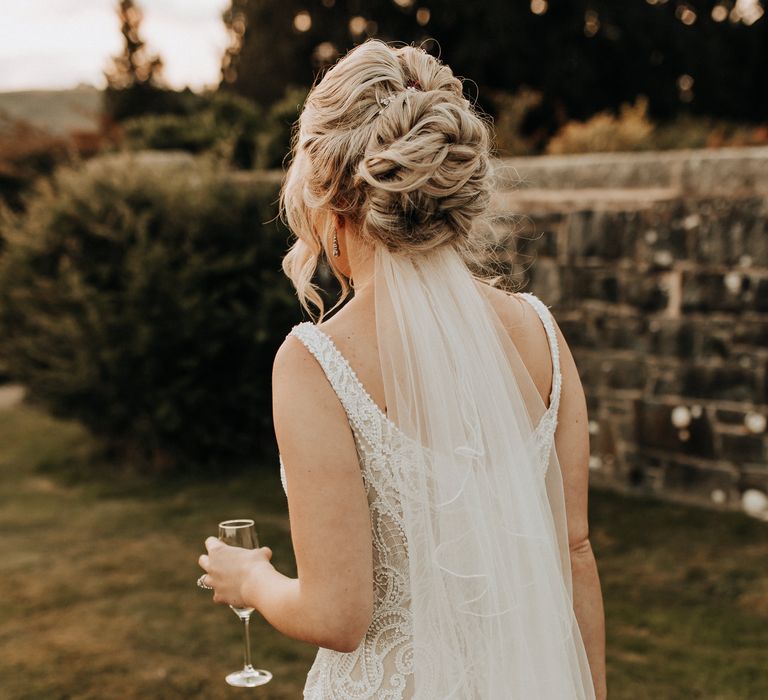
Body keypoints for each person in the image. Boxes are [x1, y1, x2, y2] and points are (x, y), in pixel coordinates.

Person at [198, 38, 607, 699]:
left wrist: (251, 581)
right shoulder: (540, 331)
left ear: (326, 188)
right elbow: (575, 553)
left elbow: (337, 615)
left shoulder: (315, 363)